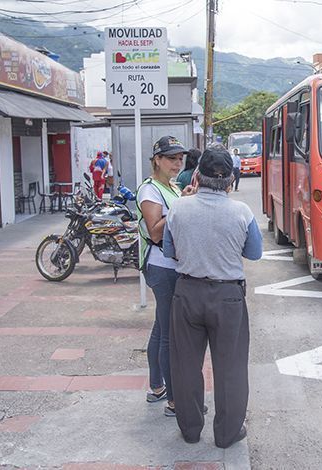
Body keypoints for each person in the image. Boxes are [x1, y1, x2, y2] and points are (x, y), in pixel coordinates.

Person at [163, 147, 263, 448]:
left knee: (185, 365)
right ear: (231, 180)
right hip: (228, 296)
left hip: (187, 293)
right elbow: (254, 253)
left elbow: (169, 252)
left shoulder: (179, 208)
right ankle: (227, 433)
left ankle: (191, 430)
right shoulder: (242, 212)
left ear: (197, 175)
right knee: (230, 366)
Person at [136, 136, 190, 417]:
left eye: (180, 158)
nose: (177, 163)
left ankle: (156, 386)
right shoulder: (149, 190)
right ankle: (173, 399)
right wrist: (183, 206)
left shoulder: (173, 187)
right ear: (157, 159)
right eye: (171, 158)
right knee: (170, 332)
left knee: (160, 327)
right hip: (161, 266)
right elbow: (156, 230)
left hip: (171, 265)